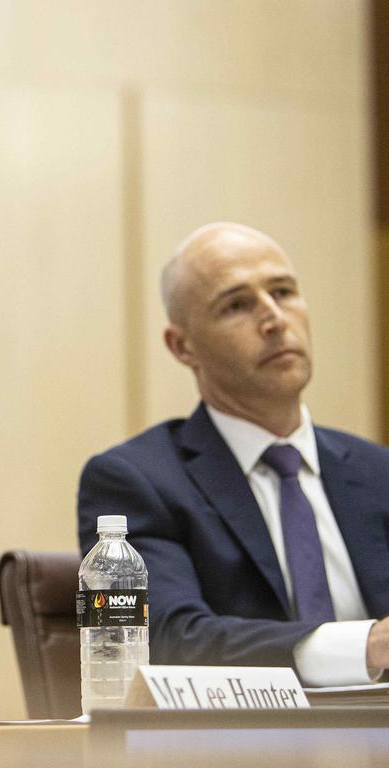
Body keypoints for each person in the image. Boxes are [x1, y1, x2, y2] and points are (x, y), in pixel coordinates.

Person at [77, 222, 389, 685]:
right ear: (182, 346)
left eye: (283, 292)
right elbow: (168, 639)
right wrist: (362, 647)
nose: (274, 319)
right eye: (237, 305)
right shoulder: (135, 481)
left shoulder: (378, 470)